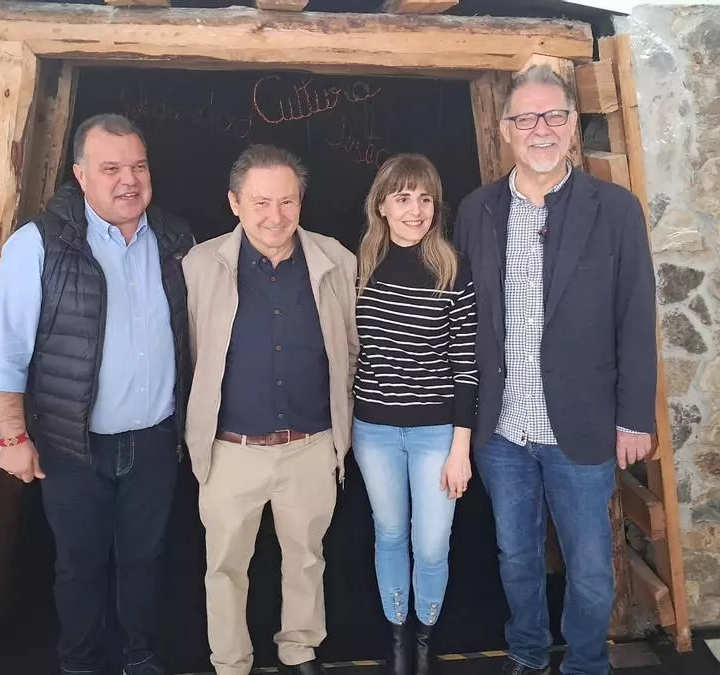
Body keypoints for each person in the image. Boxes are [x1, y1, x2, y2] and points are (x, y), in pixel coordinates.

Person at [451, 65, 657, 675]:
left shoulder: (614, 210)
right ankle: (527, 653)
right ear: (505, 129)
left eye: (554, 116)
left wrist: (634, 417)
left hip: (584, 426)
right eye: (526, 118)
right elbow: (463, 315)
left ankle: (587, 663)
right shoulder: (477, 210)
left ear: (572, 125)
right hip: (502, 429)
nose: (540, 129)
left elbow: (635, 318)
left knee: (590, 568)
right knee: (516, 557)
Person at [0, 113, 194, 675]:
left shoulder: (175, 239)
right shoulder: (38, 244)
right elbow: (5, 350)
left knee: (145, 560)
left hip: (154, 439)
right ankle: (80, 664)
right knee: (79, 565)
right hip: (73, 446)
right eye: (111, 169)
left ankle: (141, 659)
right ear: (80, 175)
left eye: (138, 167)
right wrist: (13, 437)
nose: (129, 181)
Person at [182, 144, 358, 675]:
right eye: (260, 203)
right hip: (229, 449)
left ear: (301, 201)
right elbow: (187, 351)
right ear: (234, 203)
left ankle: (299, 649)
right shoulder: (199, 265)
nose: (275, 216)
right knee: (224, 566)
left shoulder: (336, 261)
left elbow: (351, 349)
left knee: (306, 558)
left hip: (309, 446)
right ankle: (230, 661)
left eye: (286, 201)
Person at [351, 154, 477, 675]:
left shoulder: (453, 270)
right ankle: (399, 639)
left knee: (431, 545)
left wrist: (460, 449)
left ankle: (425, 636)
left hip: (436, 433)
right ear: (381, 205)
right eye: (403, 198)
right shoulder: (359, 267)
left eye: (425, 199)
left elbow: (467, 366)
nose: (415, 210)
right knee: (389, 534)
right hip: (373, 430)